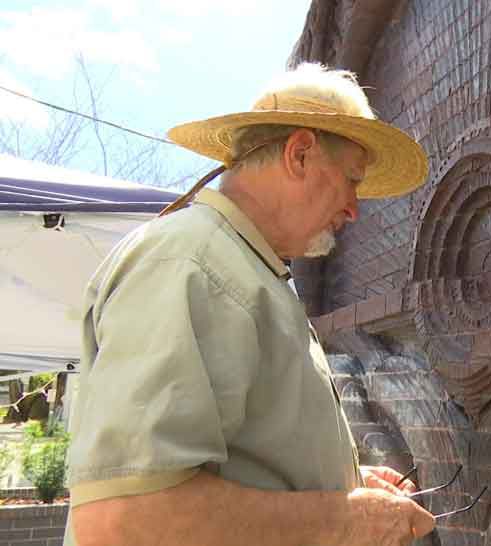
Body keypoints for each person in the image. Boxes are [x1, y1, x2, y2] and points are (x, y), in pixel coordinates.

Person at [64, 63, 434, 546]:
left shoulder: (240, 268)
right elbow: (124, 521)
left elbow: (240, 461)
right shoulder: (191, 261)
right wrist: (346, 519)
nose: (353, 207)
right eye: (352, 179)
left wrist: (343, 483)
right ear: (299, 154)